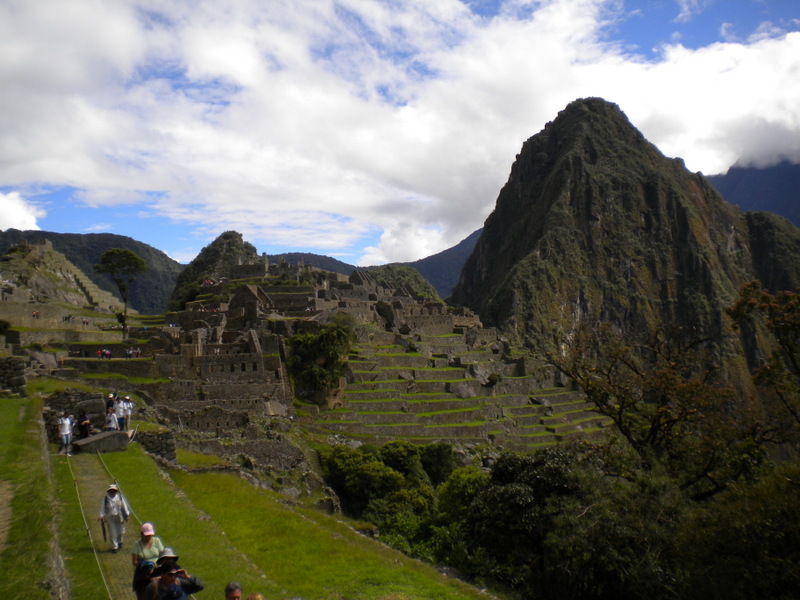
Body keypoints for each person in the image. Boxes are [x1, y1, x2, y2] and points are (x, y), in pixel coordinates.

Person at [98, 483, 129, 553]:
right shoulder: (105, 499)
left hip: (119, 516)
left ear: (116, 491)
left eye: (114, 491)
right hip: (110, 517)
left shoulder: (120, 497)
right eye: (111, 491)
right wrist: (101, 515)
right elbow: (102, 509)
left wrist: (127, 514)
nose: (112, 492)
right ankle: (114, 547)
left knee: (121, 532)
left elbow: (125, 506)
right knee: (112, 533)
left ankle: (120, 541)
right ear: (109, 492)